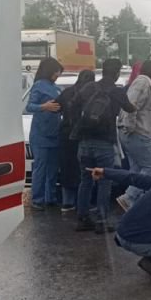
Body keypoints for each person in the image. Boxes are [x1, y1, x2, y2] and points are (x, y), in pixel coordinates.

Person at [72, 58, 136, 233]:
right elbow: (130, 109)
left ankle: (82, 218)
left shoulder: (88, 87)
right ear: (116, 74)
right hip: (104, 142)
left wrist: (81, 123)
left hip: (84, 142)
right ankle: (102, 220)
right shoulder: (117, 92)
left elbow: (73, 105)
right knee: (104, 181)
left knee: (85, 181)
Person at [117, 60, 151, 211]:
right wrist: (129, 126)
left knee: (137, 169)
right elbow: (130, 105)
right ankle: (129, 197)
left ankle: (134, 205)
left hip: (135, 132)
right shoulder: (143, 83)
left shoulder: (142, 82)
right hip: (138, 132)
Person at [25, 57, 64, 211]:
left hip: (55, 133)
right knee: (40, 167)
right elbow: (30, 106)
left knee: (53, 168)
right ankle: (37, 199)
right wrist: (44, 106)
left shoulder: (57, 88)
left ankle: (51, 197)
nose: (57, 75)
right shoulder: (38, 86)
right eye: (56, 72)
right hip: (40, 134)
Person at [57, 69, 95, 212]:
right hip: (83, 136)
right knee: (85, 169)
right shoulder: (92, 94)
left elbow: (55, 107)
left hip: (66, 135)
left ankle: (67, 202)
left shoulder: (67, 92)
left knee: (67, 167)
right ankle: (84, 203)